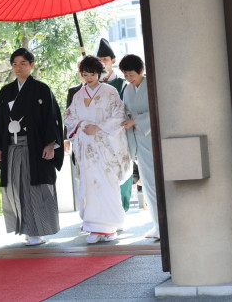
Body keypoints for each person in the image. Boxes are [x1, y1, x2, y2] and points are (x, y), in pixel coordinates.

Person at [0, 48, 64, 246]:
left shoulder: (42, 90)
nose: (18, 68)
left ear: (32, 65)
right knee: (16, 188)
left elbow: (51, 119)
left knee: (35, 188)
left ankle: (38, 231)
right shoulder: (6, 91)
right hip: (12, 147)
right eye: (15, 64)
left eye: (23, 64)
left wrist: (51, 144)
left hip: (35, 147)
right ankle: (25, 228)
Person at [64, 56, 132, 244]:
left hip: (105, 144)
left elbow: (119, 114)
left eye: (92, 74)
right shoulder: (78, 95)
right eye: (85, 75)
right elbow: (69, 116)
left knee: (107, 183)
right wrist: (83, 124)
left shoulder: (110, 91)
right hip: (86, 145)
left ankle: (109, 227)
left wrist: (99, 127)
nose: (89, 78)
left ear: (99, 73)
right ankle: (93, 226)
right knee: (89, 184)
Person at [119, 54, 160, 239]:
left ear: (141, 70)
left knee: (156, 182)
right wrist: (130, 120)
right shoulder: (127, 90)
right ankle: (157, 224)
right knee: (148, 184)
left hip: (153, 137)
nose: (129, 78)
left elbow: (158, 110)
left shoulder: (152, 84)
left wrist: (135, 120)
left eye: (131, 75)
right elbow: (126, 112)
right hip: (138, 139)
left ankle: (163, 224)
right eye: (126, 75)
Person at [96, 38, 132, 212]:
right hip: (99, 137)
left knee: (122, 171)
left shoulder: (122, 84)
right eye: (99, 59)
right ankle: (106, 213)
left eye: (105, 59)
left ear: (113, 61)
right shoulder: (92, 85)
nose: (102, 63)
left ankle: (122, 210)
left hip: (119, 135)